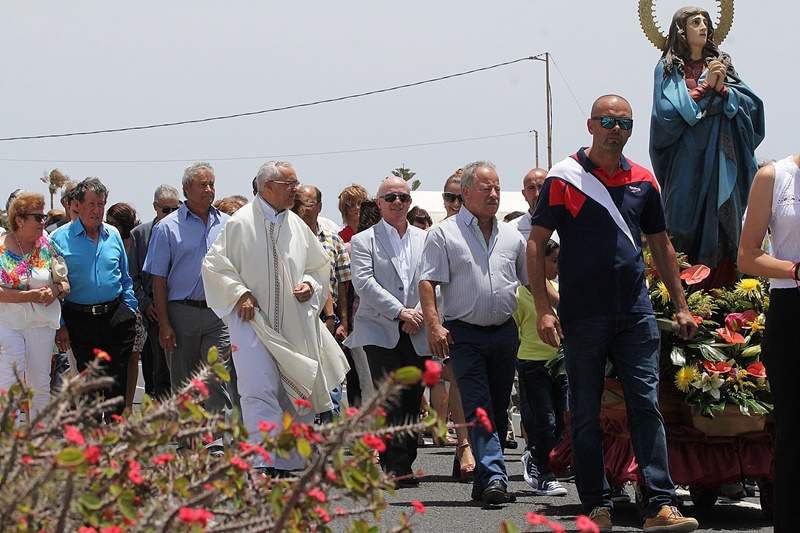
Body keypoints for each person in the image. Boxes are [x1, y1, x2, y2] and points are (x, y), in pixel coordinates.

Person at [528, 94, 698, 532]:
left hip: (635, 312)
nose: (615, 129)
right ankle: (597, 504)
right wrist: (545, 310)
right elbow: (536, 241)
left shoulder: (643, 180)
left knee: (647, 406)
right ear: (590, 124)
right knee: (584, 411)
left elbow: (660, 244)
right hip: (584, 314)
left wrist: (681, 306)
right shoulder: (564, 178)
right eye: (607, 121)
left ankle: (660, 503)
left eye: (624, 123)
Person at [202, 160, 349, 474]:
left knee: (295, 391)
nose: (296, 189)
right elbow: (213, 266)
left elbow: (318, 266)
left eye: (296, 183)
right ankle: (262, 459)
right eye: (289, 184)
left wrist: (309, 284)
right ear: (267, 186)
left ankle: (290, 459)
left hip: (294, 323)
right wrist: (239, 292)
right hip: (252, 323)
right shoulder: (239, 223)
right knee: (258, 390)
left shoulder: (295, 225)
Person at [419, 160, 527, 506]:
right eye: (486, 188)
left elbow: (530, 280)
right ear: (466, 193)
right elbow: (428, 281)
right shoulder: (444, 234)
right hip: (464, 334)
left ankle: (483, 479)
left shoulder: (512, 235)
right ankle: (496, 475)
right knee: (478, 404)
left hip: (504, 332)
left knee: (497, 408)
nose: (494, 194)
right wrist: (434, 324)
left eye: (497, 187)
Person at [649, 6, 764, 285]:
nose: (703, 26)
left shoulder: (723, 65)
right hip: (686, 155)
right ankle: (678, 292)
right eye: (696, 22)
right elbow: (666, 113)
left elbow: (752, 107)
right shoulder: (668, 68)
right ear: (681, 30)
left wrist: (723, 89)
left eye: (706, 22)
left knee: (723, 219)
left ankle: (723, 291)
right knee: (681, 219)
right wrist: (705, 89)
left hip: (723, 154)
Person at [345, 176, 430, 486]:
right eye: (390, 197)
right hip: (379, 329)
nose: (397, 203)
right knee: (390, 398)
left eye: (403, 198)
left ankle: (404, 459)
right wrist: (400, 312)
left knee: (412, 396)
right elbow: (364, 284)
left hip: (418, 327)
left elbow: (433, 281)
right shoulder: (363, 240)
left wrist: (420, 313)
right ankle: (395, 466)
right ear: (378, 203)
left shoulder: (425, 238)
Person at [143, 163, 233, 436]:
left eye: (212, 184)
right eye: (202, 184)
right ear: (186, 189)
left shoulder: (228, 225)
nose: (209, 190)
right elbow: (158, 279)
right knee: (184, 383)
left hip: (217, 313)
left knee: (217, 377)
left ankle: (218, 441)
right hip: (181, 313)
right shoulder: (167, 228)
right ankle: (188, 442)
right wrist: (165, 325)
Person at [738, 154, 800, 533]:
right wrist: (795, 270)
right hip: (792, 306)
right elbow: (748, 255)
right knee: (794, 432)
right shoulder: (774, 177)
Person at [52, 178, 138, 418]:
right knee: (87, 387)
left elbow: (125, 277)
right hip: (79, 320)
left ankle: (114, 445)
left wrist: (130, 309)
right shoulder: (59, 239)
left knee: (116, 383)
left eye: (101, 204)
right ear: (77, 205)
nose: (97, 210)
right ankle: (91, 444)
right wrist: (61, 325)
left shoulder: (113, 235)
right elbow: (55, 285)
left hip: (115, 317)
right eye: (91, 203)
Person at [0, 192, 69, 419]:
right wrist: (29, 296)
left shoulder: (48, 245)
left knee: (40, 384)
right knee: (10, 382)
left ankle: (38, 444)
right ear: (19, 220)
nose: (44, 222)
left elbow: (65, 283)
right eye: (38, 218)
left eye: (44, 218)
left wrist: (55, 291)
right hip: (8, 323)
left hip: (41, 324)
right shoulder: (1, 247)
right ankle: (7, 443)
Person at [513, 239, 568, 497]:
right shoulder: (520, 293)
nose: (558, 266)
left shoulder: (561, 291)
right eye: (554, 261)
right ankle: (543, 474)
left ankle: (540, 459)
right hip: (532, 364)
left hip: (561, 364)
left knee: (562, 422)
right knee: (544, 421)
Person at [292, 184, 353, 412]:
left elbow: (341, 283)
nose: (300, 209)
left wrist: (341, 321)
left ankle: (329, 433)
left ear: (318, 206)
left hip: (327, 319)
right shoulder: (287, 236)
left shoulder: (332, 239)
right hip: (296, 318)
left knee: (331, 376)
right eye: (296, 203)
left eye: (306, 204)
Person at [129, 185, 179, 400]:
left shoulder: (184, 231)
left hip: (179, 307)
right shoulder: (140, 235)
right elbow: (133, 276)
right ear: (155, 208)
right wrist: (146, 303)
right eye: (165, 210)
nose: (170, 215)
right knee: (159, 369)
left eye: (174, 209)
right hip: (153, 313)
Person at [105, 202, 146, 411]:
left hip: (133, 308)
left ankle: (128, 406)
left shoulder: (135, 240)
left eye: (114, 222)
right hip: (110, 307)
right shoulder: (106, 240)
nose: (110, 225)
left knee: (132, 357)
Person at [506, 168, 549, 241]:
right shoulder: (511, 229)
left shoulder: (566, 225)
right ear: (524, 194)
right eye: (531, 188)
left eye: (541, 186)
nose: (537, 194)